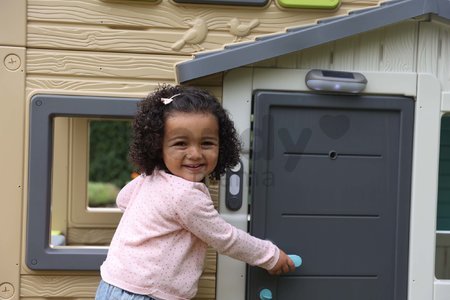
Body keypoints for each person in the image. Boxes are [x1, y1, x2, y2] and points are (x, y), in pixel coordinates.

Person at [96, 84, 295, 300]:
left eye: (207, 143)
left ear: (222, 145)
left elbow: (123, 199)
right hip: (147, 294)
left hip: (112, 285)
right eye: (181, 143)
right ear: (157, 146)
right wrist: (270, 255)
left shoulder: (150, 177)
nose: (195, 153)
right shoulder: (184, 195)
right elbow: (225, 239)